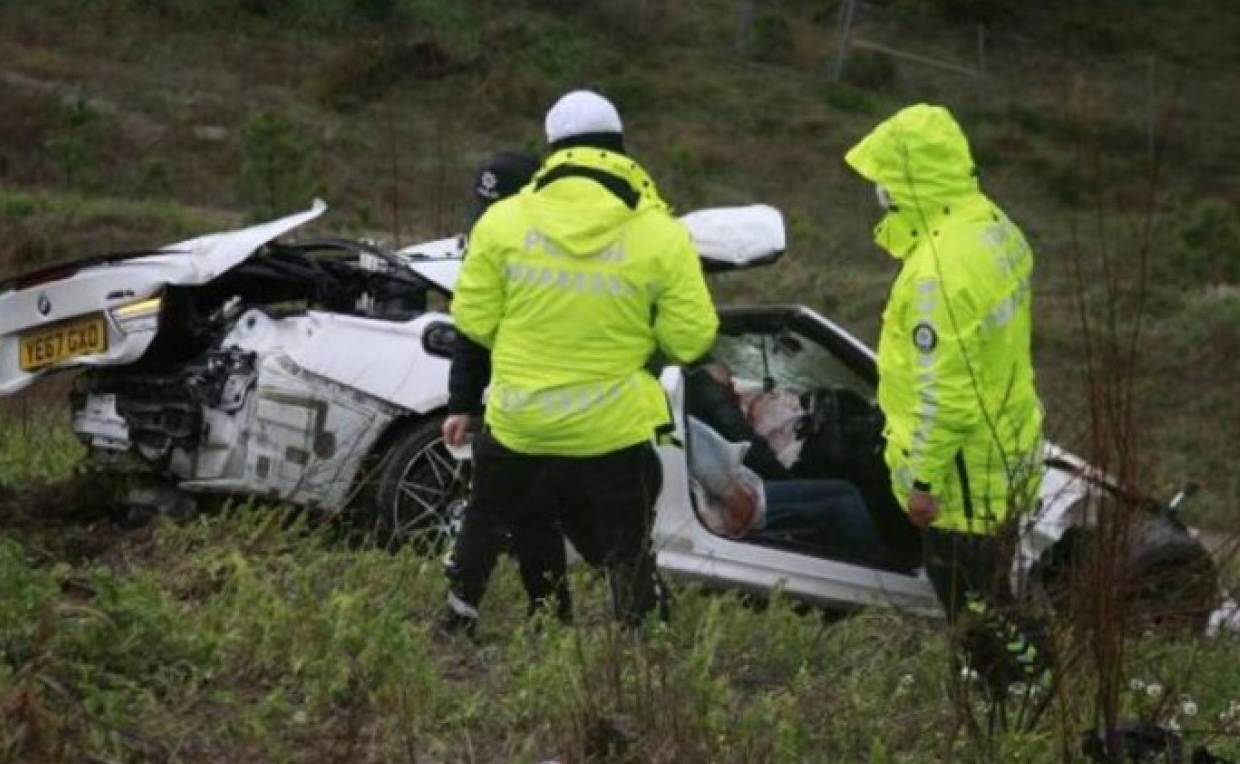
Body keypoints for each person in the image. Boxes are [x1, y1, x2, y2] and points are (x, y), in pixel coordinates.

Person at [441, 89, 719, 634]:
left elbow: (473, 320)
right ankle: (640, 642)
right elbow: (690, 340)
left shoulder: (502, 221)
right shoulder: (662, 233)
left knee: (485, 515)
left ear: (553, 149)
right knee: (626, 545)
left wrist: (529, 344)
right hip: (612, 426)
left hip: (520, 417)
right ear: (619, 147)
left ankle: (457, 620)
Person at [843, 104, 1050, 696]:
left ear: (909, 181)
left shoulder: (937, 274)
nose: (878, 194)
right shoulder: (992, 226)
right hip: (1006, 448)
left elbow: (946, 394)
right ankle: (1019, 680)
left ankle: (1022, 690)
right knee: (993, 590)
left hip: (963, 477)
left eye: (884, 179)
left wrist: (924, 482)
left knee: (973, 605)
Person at [444, 150, 582, 625]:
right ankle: (535, 614)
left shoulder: (564, 249)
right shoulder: (493, 242)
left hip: (559, 405)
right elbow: (471, 330)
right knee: (508, 508)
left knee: (527, 510)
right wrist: (462, 403)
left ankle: (547, 614)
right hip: (514, 404)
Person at [684, 361, 892, 565]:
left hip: (743, 491)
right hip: (751, 499)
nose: (735, 392)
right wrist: (787, 480)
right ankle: (882, 568)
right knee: (845, 494)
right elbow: (741, 502)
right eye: (730, 387)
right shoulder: (704, 422)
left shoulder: (690, 412)